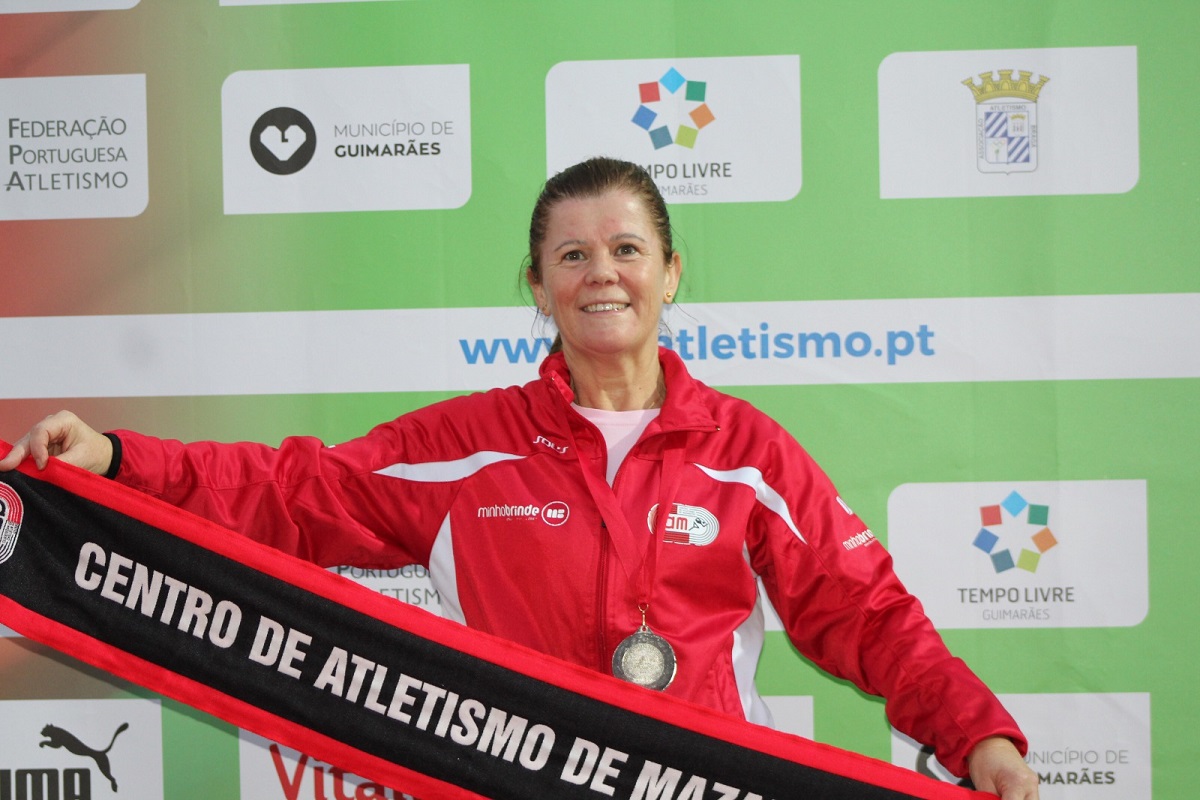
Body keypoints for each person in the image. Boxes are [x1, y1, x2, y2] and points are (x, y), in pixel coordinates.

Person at [0, 157, 1039, 799]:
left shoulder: (747, 452)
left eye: (627, 248)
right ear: (538, 286)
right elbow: (294, 492)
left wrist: (978, 731)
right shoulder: (471, 442)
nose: (603, 274)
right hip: (495, 780)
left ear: (670, 273)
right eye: (573, 255)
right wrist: (124, 459)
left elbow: (865, 609)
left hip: (698, 784)